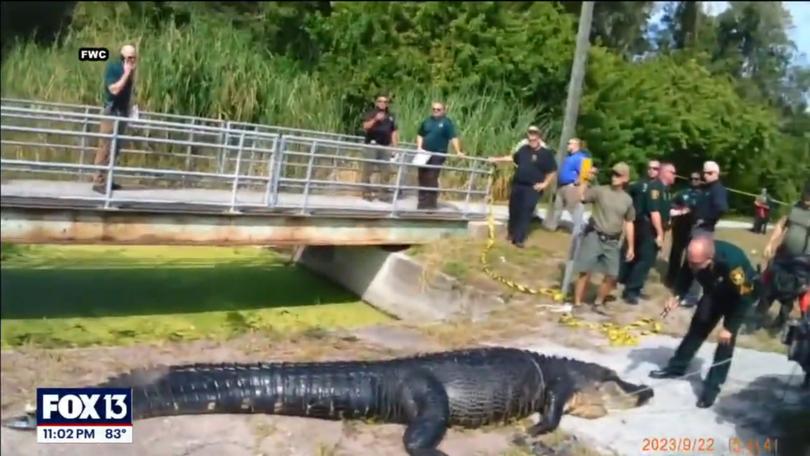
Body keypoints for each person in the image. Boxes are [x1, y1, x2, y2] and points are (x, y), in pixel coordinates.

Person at [650, 235, 758, 408]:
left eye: (696, 264)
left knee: (725, 342)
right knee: (697, 328)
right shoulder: (694, 255)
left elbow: (745, 296)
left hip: (737, 297)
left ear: (710, 259)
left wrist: (729, 328)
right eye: (691, 262)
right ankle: (676, 368)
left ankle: (712, 388)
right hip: (713, 293)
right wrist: (677, 295)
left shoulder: (734, 266)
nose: (692, 266)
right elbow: (685, 275)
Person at [571, 162, 635, 308]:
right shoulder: (600, 191)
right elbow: (581, 197)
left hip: (612, 241)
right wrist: (585, 180)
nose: (614, 177)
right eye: (613, 173)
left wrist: (631, 247)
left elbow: (630, 222)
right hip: (594, 235)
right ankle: (577, 303)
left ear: (625, 178)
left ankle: (598, 301)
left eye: (618, 175)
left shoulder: (627, 199)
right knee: (585, 271)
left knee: (613, 275)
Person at [753, 181, 810, 329]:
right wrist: (770, 243)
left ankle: (782, 320)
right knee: (771, 282)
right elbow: (780, 225)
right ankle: (760, 314)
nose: (806, 198)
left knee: (794, 290)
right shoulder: (794, 207)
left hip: (804, 260)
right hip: (784, 253)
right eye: (805, 193)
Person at [489, 126, 558, 247]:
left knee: (525, 211)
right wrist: (496, 159)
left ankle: (519, 238)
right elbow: (511, 158)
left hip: (532, 188)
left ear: (539, 137)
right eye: (530, 136)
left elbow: (552, 171)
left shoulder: (546, 154)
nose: (532, 139)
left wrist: (545, 184)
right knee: (514, 210)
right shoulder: (523, 150)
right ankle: (511, 233)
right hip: (518, 185)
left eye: (534, 136)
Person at [619, 162, 676, 304]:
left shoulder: (666, 190)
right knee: (646, 259)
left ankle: (630, 283)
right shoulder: (655, 187)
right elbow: (654, 212)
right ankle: (631, 290)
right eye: (672, 172)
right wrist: (659, 234)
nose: (674, 175)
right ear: (663, 173)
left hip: (651, 226)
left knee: (641, 257)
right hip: (648, 226)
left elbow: (664, 210)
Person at [677, 161, 730, 306]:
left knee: (698, 263)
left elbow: (721, 208)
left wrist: (706, 220)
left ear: (715, 174)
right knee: (689, 261)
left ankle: (693, 296)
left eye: (708, 173)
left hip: (704, 231)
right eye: (704, 173)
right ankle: (684, 291)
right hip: (695, 228)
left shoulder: (718, 190)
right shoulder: (706, 188)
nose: (705, 175)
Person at [93, 44, 137, 193]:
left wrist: (131, 109)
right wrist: (126, 74)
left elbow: (127, 93)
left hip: (122, 112)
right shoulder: (114, 68)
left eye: (134, 58)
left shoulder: (130, 71)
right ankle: (99, 181)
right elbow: (114, 89)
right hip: (111, 111)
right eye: (129, 58)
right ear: (122, 58)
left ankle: (108, 179)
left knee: (116, 148)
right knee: (106, 146)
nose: (132, 62)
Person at [415, 102, 464, 210]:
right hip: (424, 153)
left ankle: (431, 203)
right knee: (422, 176)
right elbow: (420, 134)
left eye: (438, 109)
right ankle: (422, 202)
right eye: (434, 109)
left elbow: (453, 137)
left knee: (431, 176)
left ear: (443, 110)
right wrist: (419, 147)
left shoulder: (446, 123)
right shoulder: (427, 121)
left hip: (438, 152)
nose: (435, 111)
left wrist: (458, 151)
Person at [542, 137, 591, 231]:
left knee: (574, 209)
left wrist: (580, 186)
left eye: (570, 143)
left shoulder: (582, 158)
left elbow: (586, 174)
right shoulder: (568, 157)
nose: (567, 145)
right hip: (561, 187)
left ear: (576, 145)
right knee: (557, 208)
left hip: (571, 187)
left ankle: (580, 228)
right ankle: (551, 227)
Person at [665, 172, 703, 288]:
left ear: (700, 180)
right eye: (692, 178)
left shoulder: (704, 195)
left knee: (692, 255)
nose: (694, 181)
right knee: (676, 253)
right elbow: (671, 206)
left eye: (697, 179)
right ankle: (671, 278)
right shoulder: (682, 193)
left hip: (696, 228)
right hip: (680, 227)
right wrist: (681, 209)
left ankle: (686, 280)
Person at [360, 94, 399, 202]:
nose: (383, 103)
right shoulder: (371, 113)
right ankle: (366, 193)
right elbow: (365, 127)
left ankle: (383, 195)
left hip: (385, 146)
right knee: (368, 170)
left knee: (386, 171)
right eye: (380, 101)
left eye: (385, 102)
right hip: (371, 145)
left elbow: (394, 132)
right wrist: (375, 119)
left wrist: (395, 147)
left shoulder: (391, 116)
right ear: (376, 102)